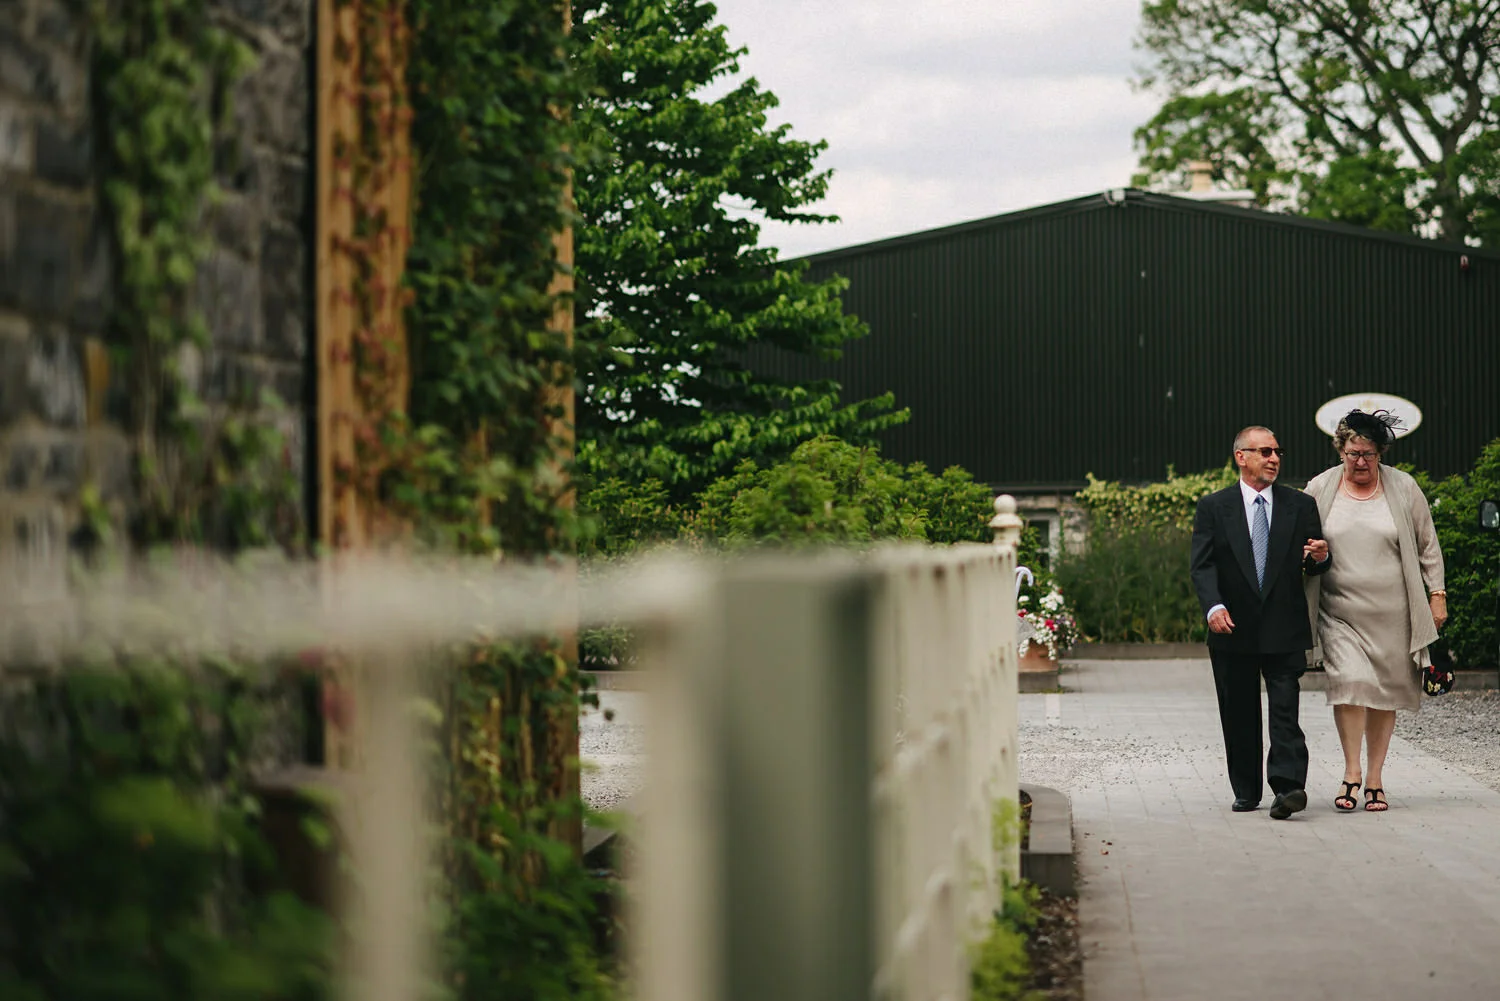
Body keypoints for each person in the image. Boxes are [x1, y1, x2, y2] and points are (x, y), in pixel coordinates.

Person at [1302, 410, 1446, 813]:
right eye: (1352, 453)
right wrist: (1309, 553)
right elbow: (1299, 536)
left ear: (1380, 453)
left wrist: (1437, 595)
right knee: (1349, 683)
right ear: (1341, 450)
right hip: (1339, 609)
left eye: (1368, 453)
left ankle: (1375, 779)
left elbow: (1427, 546)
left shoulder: (1403, 487)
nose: (1360, 462)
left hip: (1394, 611)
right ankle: (1351, 773)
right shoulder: (1321, 487)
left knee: (1384, 692)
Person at [1191, 426, 1331, 819]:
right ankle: (1247, 789)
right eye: (1265, 451)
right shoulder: (1213, 508)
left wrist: (1320, 557)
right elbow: (1202, 567)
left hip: (1284, 626)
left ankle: (1288, 787)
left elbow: (1314, 561)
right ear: (1241, 456)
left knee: (1285, 709)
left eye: (1277, 452)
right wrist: (1213, 607)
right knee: (1238, 711)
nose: (1274, 458)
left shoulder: (1300, 506)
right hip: (1231, 627)